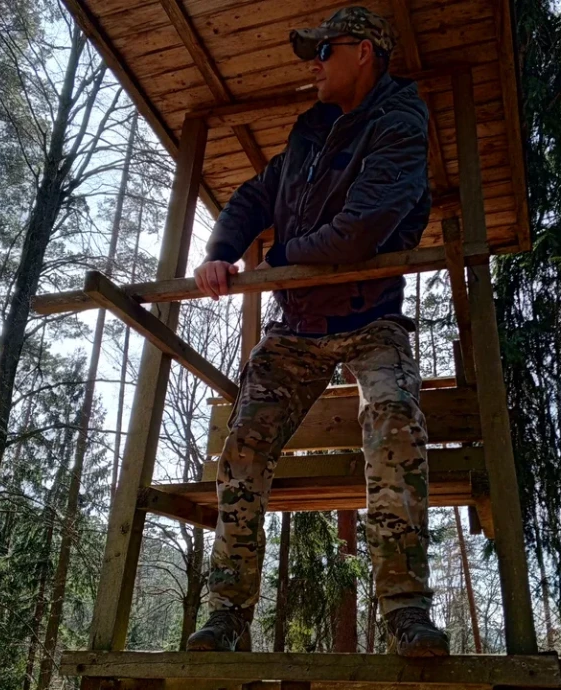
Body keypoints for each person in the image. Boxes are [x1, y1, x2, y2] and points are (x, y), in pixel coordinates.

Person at [187, 6, 449, 657]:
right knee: (244, 442)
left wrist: (278, 261)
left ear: (364, 52)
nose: (315, 64)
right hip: (298, 326)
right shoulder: (308, 134)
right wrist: (221, 251)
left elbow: (360, 230)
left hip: (371, 320)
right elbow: (255, 195)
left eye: (325, 50)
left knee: (393, 419)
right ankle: (226, 615)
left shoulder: (400, 123)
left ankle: (406, 611)